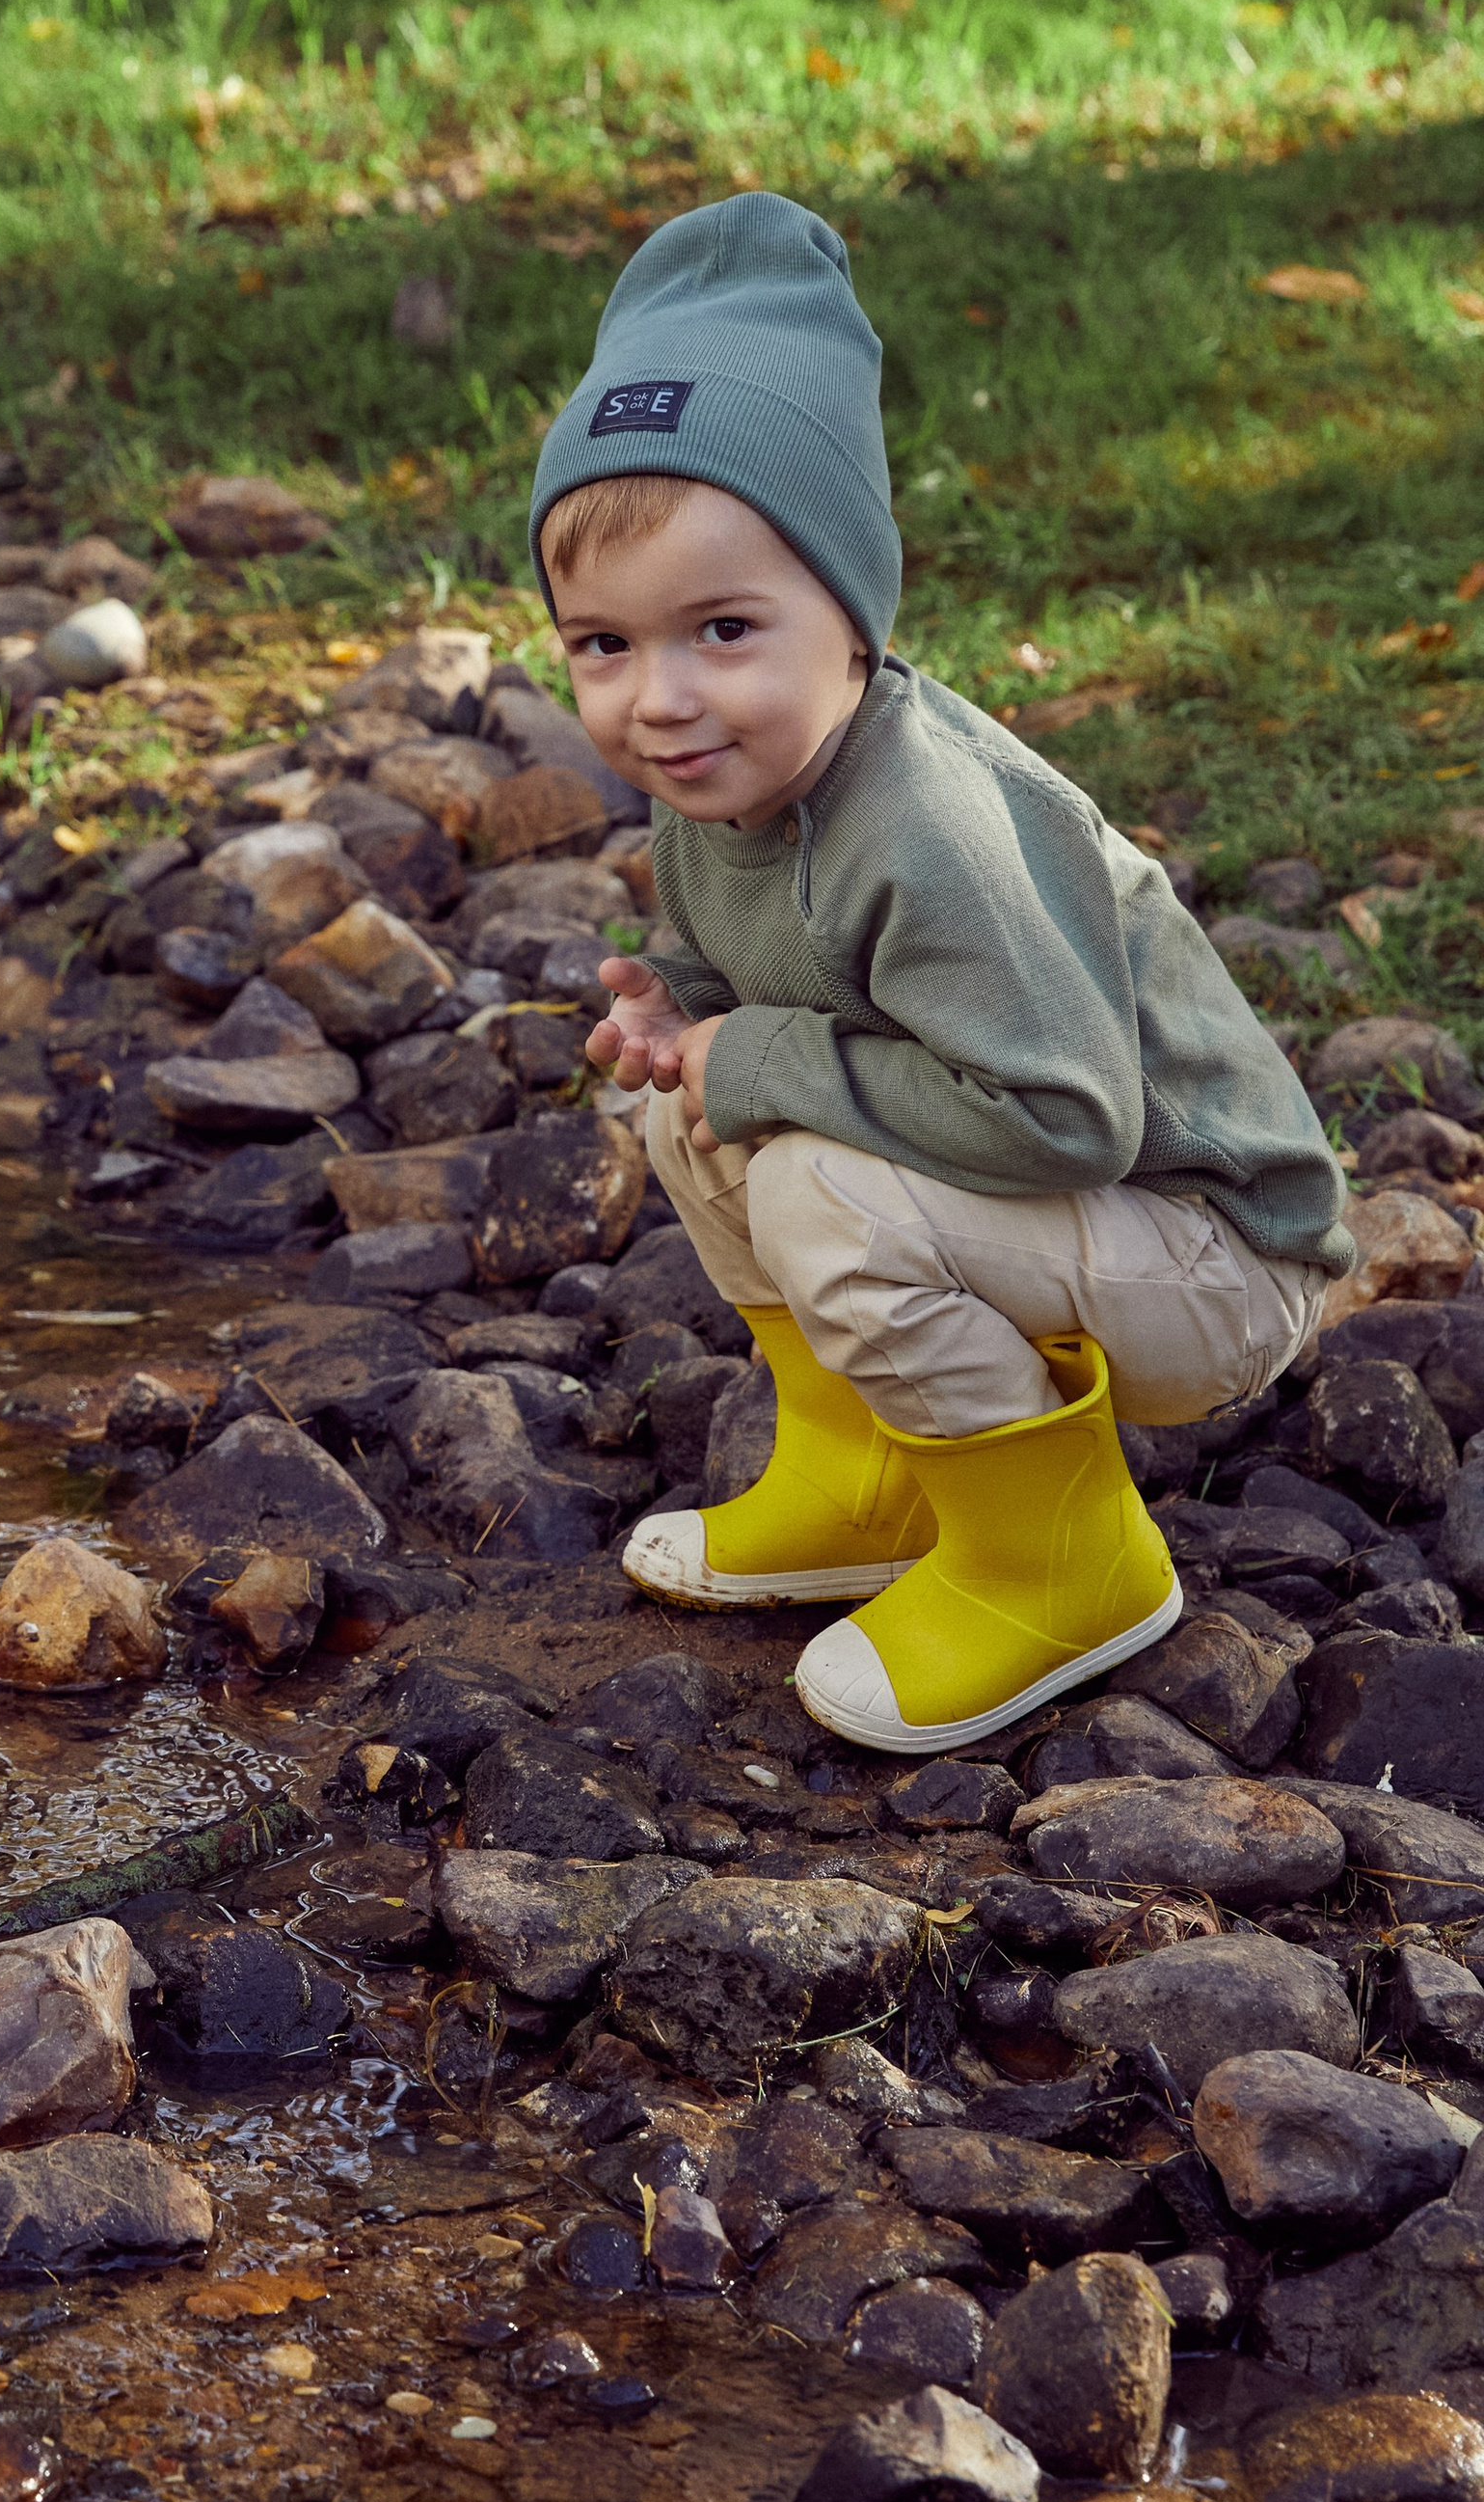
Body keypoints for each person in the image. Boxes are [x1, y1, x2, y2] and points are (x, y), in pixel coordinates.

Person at [527, 188, 1350, 1755]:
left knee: (812, 1188)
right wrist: (685, 1023)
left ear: (854, 614)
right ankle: (875, 1484)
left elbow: (1065, 1121)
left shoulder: (934, 829)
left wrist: (759, 1063)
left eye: (721, 626)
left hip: (1212, 1243)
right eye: (604, 645)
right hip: (1059, 1199)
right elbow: (742, 984)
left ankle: (1067, 1562)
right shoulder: (720, 784)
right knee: (691, 1128)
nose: (661, 699)